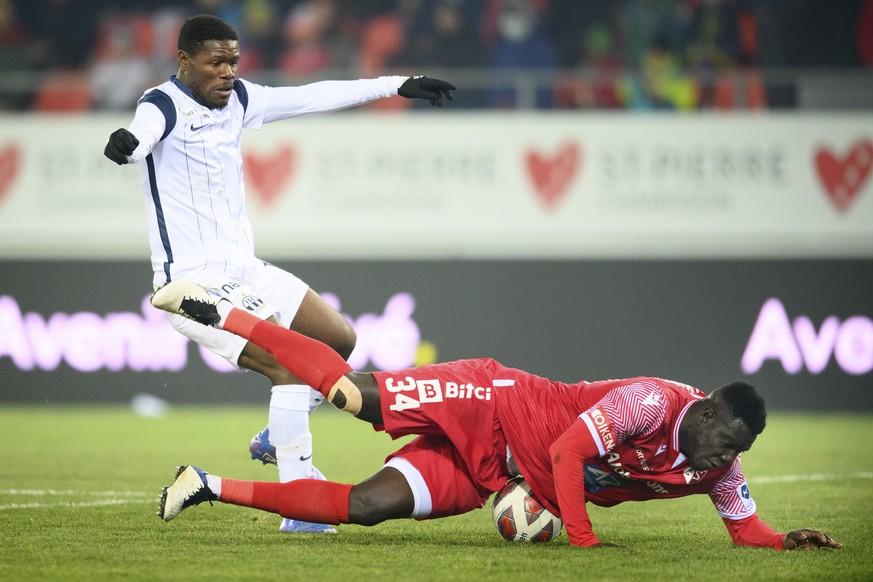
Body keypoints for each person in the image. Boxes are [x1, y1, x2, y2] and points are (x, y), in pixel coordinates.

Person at [149, 280, 842, 550]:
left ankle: (205, 484)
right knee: (350, 396)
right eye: (722, 437)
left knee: (365, 507)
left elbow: (743, 525)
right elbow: (569, 454)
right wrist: (581, 539)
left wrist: (785, 541)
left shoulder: (714, 469)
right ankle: (224, 312)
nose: (722, 457)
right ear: (708, 408)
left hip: (493, 469)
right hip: (491, 402)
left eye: (733, 450)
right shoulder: (651, 403)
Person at [102, 14, 455, 534]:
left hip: (245, 268)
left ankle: (276, 434)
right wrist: (127, 144)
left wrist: (395, 84)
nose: (227, 72)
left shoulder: (241, 99)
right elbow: (140, 134)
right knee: (290, 365)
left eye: (233, 61)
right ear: (184, 60)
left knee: (338, 339)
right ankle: (299, 507)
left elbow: (314, 96)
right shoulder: (162, 105)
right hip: (192, 287)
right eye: (215, 62)